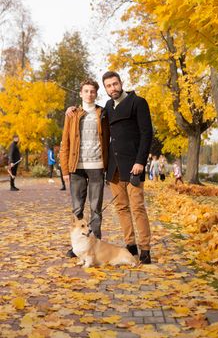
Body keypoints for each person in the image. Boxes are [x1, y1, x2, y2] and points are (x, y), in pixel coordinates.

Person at [102, 71, 153, 264]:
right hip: (114, 168)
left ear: (121, 83)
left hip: (134, 166)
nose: (112, 88)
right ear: (105, 89)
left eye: (115, 84)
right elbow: (95, 112)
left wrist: (141, 161)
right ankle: (130, 245)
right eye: (108, 86)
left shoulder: (138, 102)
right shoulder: (108, 106)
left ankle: (145, 248)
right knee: (121, 208)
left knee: (138, 208)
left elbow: (147, 133)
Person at [60, 78, 109, 257]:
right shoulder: (72, 114)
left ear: (96, 94)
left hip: (96, 165)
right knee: (77, 209)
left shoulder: (103, 113)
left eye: (92, 91)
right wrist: (65, 170)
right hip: (77, 167)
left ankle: (95, 244)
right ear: (81, 93)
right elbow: (65, 142)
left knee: (96, 208)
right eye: (86, 91)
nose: (89, 94)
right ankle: (77, 246)